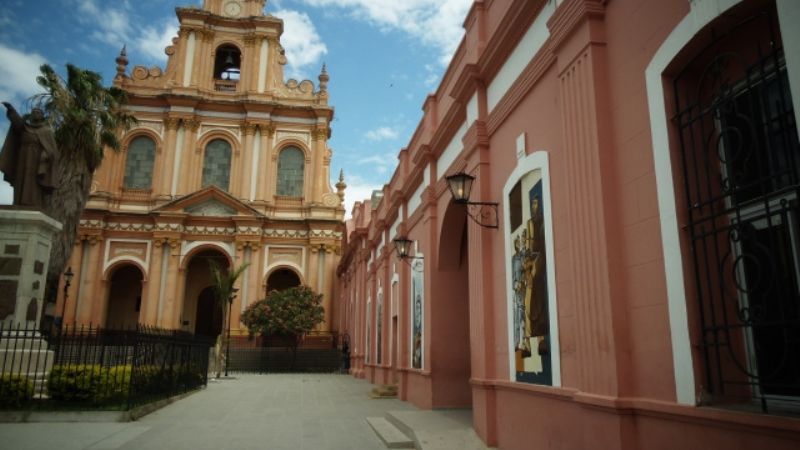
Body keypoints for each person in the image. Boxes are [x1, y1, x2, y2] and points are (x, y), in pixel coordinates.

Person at [0, 102, 59, 207]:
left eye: (38, 112)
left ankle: (34, 203)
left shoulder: (46, 131)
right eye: (34, 112)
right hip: (23, 156)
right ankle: (18, 201)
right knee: (20, 178)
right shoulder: (25, 127)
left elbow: (51, 149)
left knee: (34, 182)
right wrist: (11, 110)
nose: (36, 113)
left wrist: (45, 155)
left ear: (42, 116)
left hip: (37, 160)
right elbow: (17, 123)